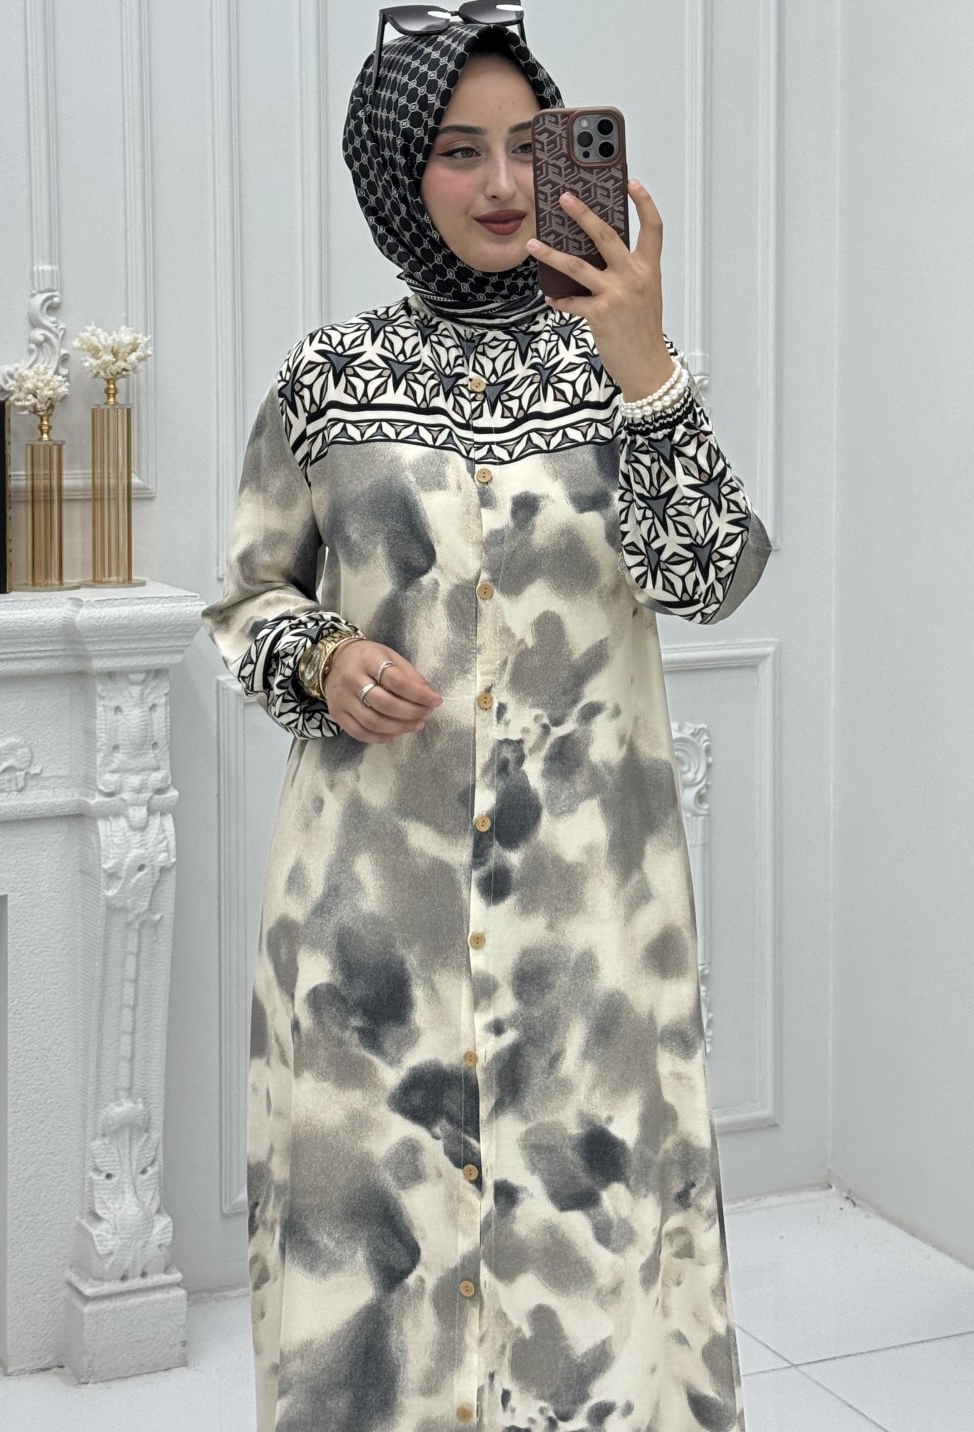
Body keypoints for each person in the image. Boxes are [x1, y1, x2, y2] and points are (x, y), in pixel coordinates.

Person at [203, 9, 770, 1431]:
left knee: (589, 1283)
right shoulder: (326, 379)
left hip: (585, 927)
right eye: (461, 151)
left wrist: (647, 366)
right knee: (371, 1291)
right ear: (399, 169)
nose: (506, 184)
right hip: (367, 930)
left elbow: (712, 578)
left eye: (530, 146)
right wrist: (322, 656)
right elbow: (247, 599)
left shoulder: (623, 366)